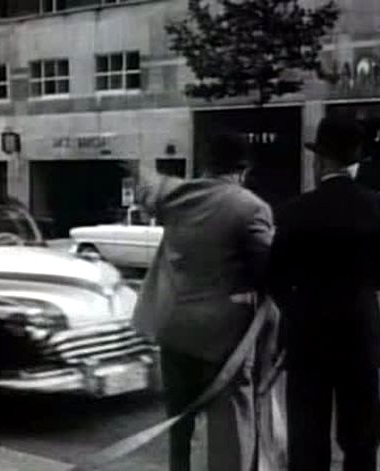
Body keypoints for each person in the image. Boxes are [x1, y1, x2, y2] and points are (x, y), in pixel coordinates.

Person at [268, 115, 380, 471]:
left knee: (308, 438)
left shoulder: (294, 211)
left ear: (320, 160)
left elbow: (274, 277)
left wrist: (297, 306)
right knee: (361, 439)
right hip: (359, 336)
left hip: (307, 338)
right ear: (354, 162)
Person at [132, 132, 274, 471]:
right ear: (244, 170)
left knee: (179, 423)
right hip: (223, 338)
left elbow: (149, 189)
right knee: (229, 428)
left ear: (206, 165)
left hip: (174, 329)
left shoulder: (177, 197)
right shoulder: (251, 207)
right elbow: (270, 270)